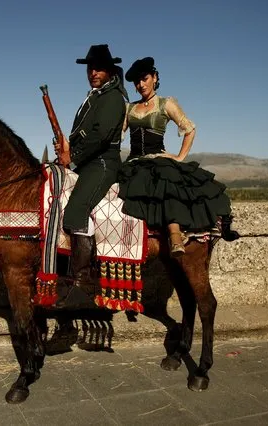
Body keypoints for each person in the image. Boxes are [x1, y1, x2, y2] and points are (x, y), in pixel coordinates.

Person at [118, 57, 239, 257]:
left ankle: (175, 233)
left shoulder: (166, 104)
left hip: (158, 157)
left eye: (145, 79)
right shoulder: (129, 108)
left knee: (167, 180)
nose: (141, 85)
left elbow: (189, 129)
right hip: (135, 162)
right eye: (137, 82)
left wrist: (180, 157)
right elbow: (116, 136)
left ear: (155, 78)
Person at [57, 44, 129, 306]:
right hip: (87, 161)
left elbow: (100, 137)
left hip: (102, 164)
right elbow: (83, 135)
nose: (93, 72)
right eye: (90, 68)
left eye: (98, 68)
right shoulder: (95, 96)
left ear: (109, 70)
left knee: (76, 210)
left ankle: (83, 285)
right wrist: (66, 149)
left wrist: (72, 157)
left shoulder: (113, 98)